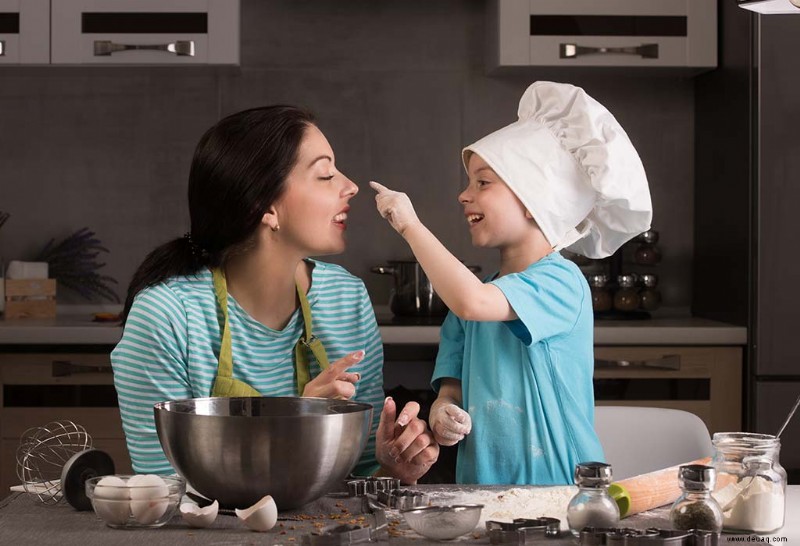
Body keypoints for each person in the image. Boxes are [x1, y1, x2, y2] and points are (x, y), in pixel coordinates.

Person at [111, 105, 438, 484]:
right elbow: (167, 493)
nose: (349, 186)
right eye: (325, 174)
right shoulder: (166, 316)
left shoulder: (345, 298)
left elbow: (359, 478)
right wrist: (298, 424)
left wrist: (395, 468)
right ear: (265, 207)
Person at [371, 81, 652, 485]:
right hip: (481, 486)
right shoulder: (475, 292)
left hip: (558, 489)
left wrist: (411, 227)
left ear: (538, 199)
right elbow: (453, 384)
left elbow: (476, 303)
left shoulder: (560, 281)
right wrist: (443, 411)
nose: (463, 196)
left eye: (483, 182)